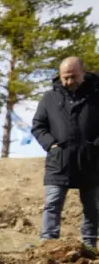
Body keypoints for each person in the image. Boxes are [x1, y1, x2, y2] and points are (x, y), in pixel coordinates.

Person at [32, 56, 99, 248]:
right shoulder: (50, 97)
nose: (69, 82)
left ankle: (90, 245)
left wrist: (96, 146)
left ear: (83, 73)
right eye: (65, 77)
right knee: (52, 203)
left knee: (92, 207)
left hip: (91, 160)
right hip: (59, 160)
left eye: (73, 77)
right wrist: (51, 144)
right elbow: (38, 126)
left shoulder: (97, 95)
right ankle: (48, 244)